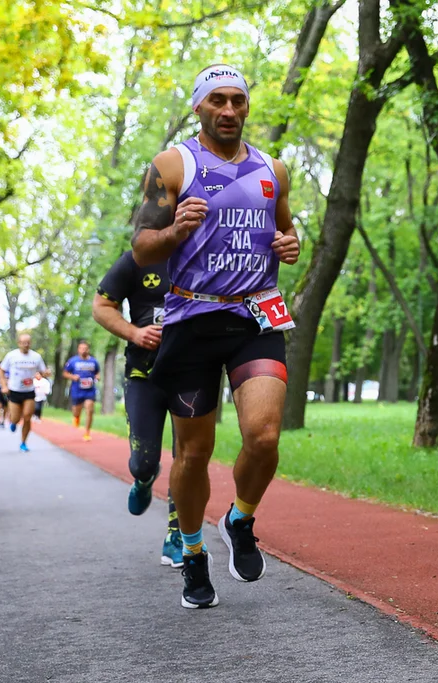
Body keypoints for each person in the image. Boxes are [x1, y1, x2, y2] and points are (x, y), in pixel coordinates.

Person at [131, 64, 300, 609]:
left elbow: (285, 227)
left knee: (265, 436)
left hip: (256, 318)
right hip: (192, 321)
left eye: (238, 101)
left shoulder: (273, 168)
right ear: (199, 106)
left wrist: (291, 244)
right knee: (195, 452)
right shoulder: (172, 164)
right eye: (217, 101)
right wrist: (176, 229)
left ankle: (241, 519)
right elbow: (142, 247)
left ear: (247, 107)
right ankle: (195, 552)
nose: (229, 110)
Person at [93, 250, 184, 568]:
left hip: (191, 375)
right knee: (142, 462)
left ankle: (177, 537)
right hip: (143, 375)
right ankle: (145, 479)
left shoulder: (204, 252)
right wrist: (135, 332)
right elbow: (101, 306)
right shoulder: (137, 257)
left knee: (187, 458)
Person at [0, 334, 49, 452]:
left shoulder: (36, 357)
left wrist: (46, 373)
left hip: (29, 391)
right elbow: (1, 370)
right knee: (15, 418)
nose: (26, 345)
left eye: (28, 342)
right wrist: (4, 386)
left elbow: (43, 371)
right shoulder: (12, 356)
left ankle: (23, 443)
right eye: (23, 342)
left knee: (27, 417)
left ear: (30, 343)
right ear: (19, 343)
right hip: (14, 390)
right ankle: (14, 422)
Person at [63, 341, 100, 440]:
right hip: (77, 390)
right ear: (78, 349)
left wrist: (97, 377)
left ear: (88, 349)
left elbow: (97, 373)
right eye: (81, 348)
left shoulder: (93, 361)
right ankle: (76, 417)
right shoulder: (73, 361)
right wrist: (72, 376)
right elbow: (65, 373)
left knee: (89, 409)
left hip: (90, 390)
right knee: (76, 411)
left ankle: (87, 432)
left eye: (85, 348)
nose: (83, 350)